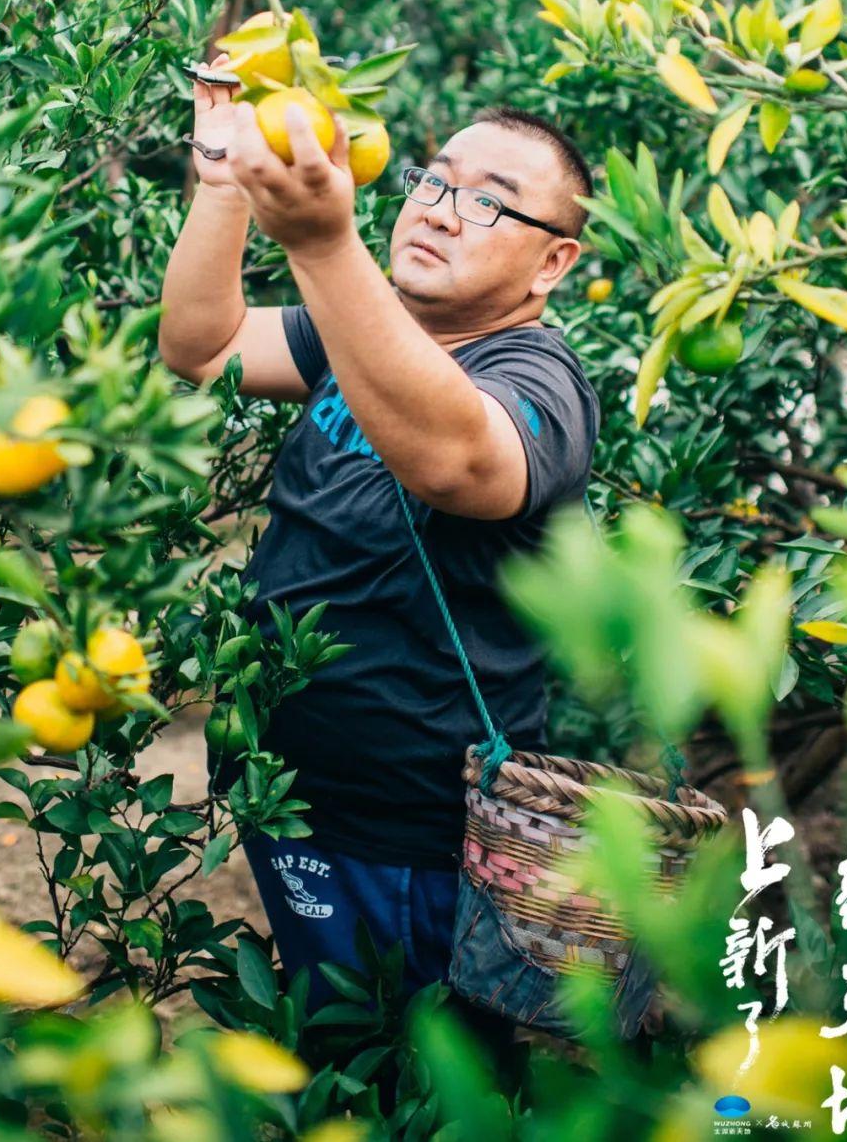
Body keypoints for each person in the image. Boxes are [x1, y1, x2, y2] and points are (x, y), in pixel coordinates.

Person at [158, 67, 600, 1028]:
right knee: (338, 1051)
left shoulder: (543, 378)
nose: (441, 211)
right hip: (293, 793)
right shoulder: (363, 333)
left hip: (414, 835)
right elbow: (205, 343)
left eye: (489, 203)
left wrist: (322, 245)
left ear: (552, 264)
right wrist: (227, 181)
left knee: (416, 1078)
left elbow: (456, 459)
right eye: (435, 182)